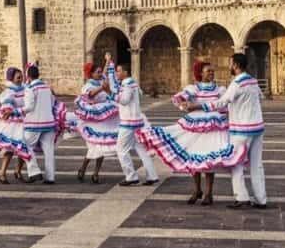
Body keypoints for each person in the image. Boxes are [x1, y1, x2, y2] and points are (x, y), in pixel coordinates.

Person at [137, 60, 247, 205]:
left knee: (209, 161)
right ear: (200, 73)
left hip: (213, 126)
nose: (211, 73)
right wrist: (184, 104)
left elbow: (225, 103)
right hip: (195, 125)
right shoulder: (194, 88)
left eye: (212, 71)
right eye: (208, 71)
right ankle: (197, 190)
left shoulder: (219, 90)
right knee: (193, 157)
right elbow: (178, 98)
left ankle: (208, 193)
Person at [189, 52, 266, 209]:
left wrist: (197, 106)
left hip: (242, 130)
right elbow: (260, 97)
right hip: (257, 127)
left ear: (236, 65)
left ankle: (241, 197)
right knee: (257, 165)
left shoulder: (237, 83)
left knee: (236, 164)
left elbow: (221, 102)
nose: (229, 66)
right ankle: (261, 199)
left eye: (230, 63)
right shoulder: (252, 81)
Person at [72, 57, 119, 183]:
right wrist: (102, 88)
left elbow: (104, 73)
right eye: (97, 72)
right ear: (91, 74)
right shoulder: (88, 86)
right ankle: (83, 168)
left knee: (102, 147)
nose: (100, 74)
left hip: (104, 120)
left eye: (99, 72)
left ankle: (95, 173)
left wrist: (107, 61)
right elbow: (90, 95)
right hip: (94, 121)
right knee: (94, 147)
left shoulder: (100, 80)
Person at [114, 62, 159, 187]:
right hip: (137, 121)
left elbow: (125, 100)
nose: (117, 73)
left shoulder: (127, 84)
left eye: (118, 71)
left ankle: (131, 177)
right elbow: (140, 95)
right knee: (142, 149)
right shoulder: (132, 83)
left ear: (125, 72)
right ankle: (152, 176)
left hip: (129, 122)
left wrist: (112, 95)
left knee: (121, 149)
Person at [23, 64, 58, 184]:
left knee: (24, 145)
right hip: (48, 122)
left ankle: (34, 171)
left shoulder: (30, 88)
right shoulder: (46, 87)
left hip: (34, 123)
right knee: (49, 150)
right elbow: (53, 102)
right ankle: (50, 177)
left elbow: (29, 107)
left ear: (28, 76)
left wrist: (17, 111)